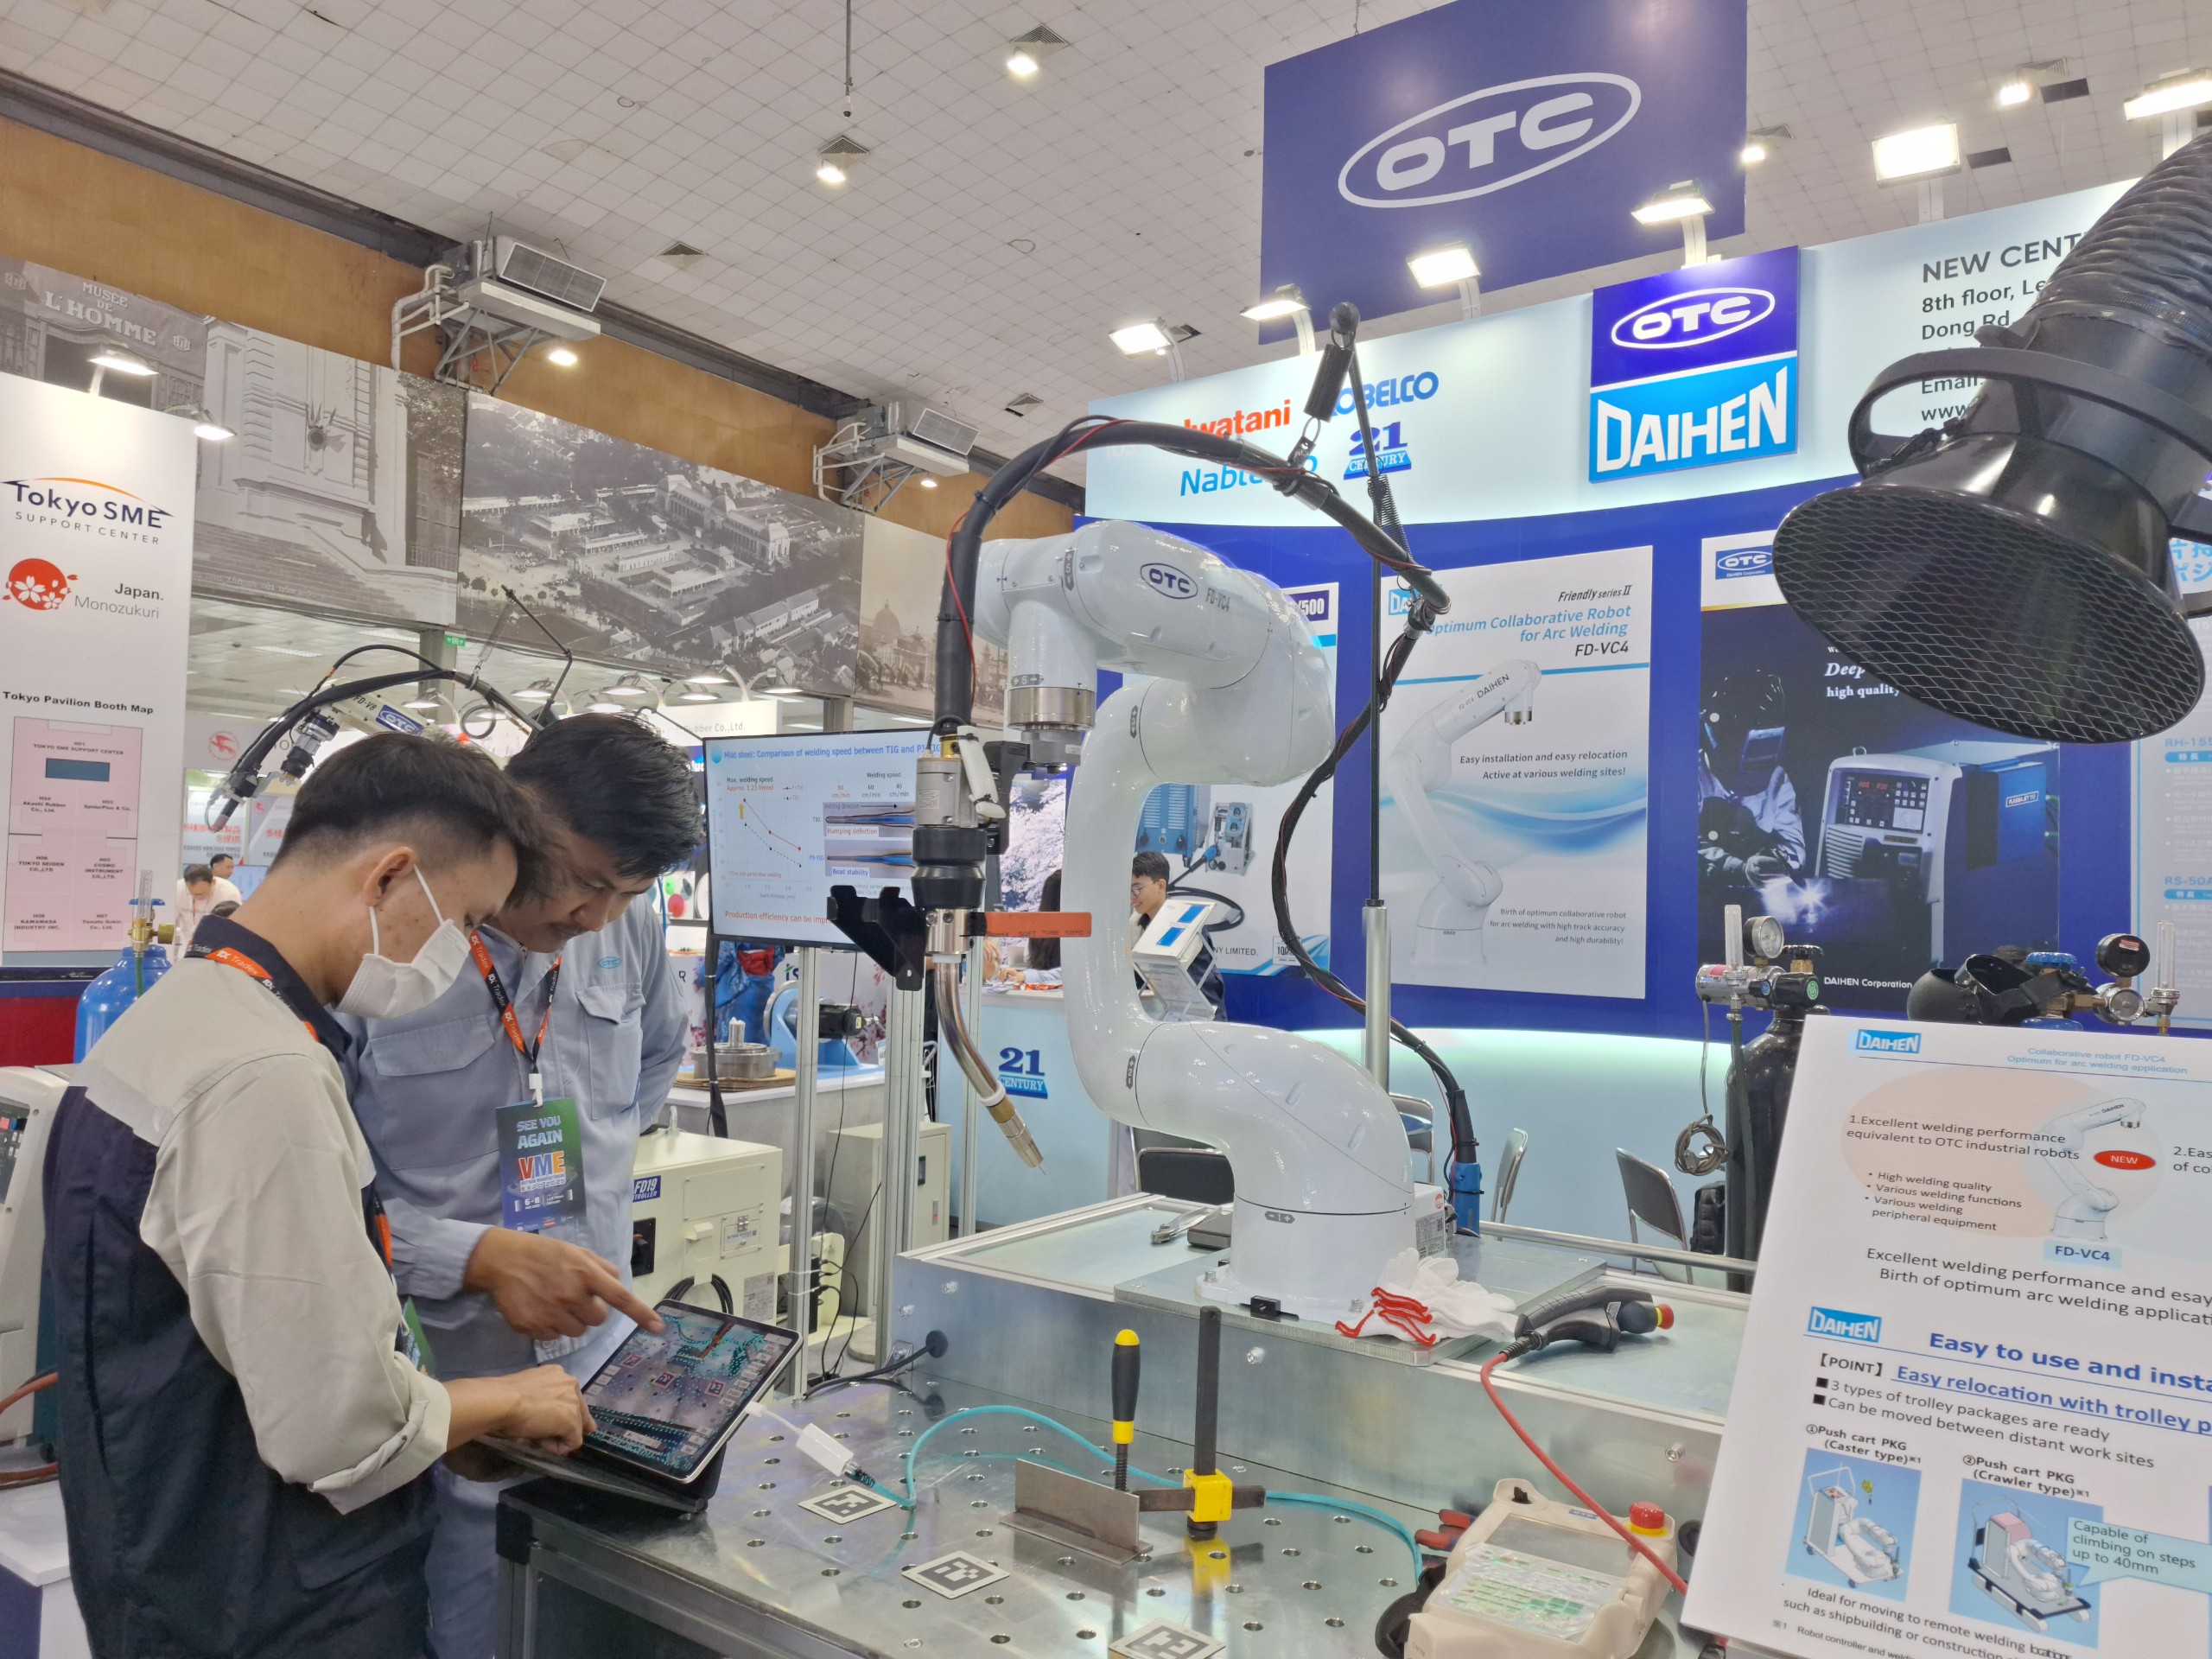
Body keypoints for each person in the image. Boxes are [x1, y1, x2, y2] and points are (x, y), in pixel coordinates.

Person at [44, 734, 594, 1659]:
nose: (462, 953)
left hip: (166, 1558)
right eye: (465, 921)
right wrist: (501, 1401)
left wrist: (432, 1426)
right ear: (390, 877)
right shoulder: (264, 1075)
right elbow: (334, 1429)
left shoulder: (172, 1020)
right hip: (274, 1600)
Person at [340, 713, 699, 1659]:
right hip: (432, 1387)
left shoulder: (626, 926)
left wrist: (578, 1212)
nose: (596, 918)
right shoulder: (386, 935)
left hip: (596, 1370)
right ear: (514, 813)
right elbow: (308, 1195)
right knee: (458, 1625)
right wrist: (472, 1256)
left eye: (627, 893)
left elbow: (653, 1065)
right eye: (586, 880)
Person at [1696, 671, 1804, 892]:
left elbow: (1794, 845)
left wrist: (1775, 860)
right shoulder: (1691, 774)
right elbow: (1682, 843)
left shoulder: (1777, 778)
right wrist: (1738, 868)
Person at [1130, 849, 1222, 1013]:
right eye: (1129, 890)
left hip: (1202, 1013)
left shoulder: (1186, 920)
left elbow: (1166, 975)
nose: (1132, 896)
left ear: (1160, 885)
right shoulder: (1135, 921)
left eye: (1137, 889)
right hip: (1161, 1012)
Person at [171, 863, 217, 955]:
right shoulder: (178, 889)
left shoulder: (228, 893)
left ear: (213, 883)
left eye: (201, 894)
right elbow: (170, 920)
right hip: (186, 947)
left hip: (216, 948)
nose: (197, 897)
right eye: (192, 893)